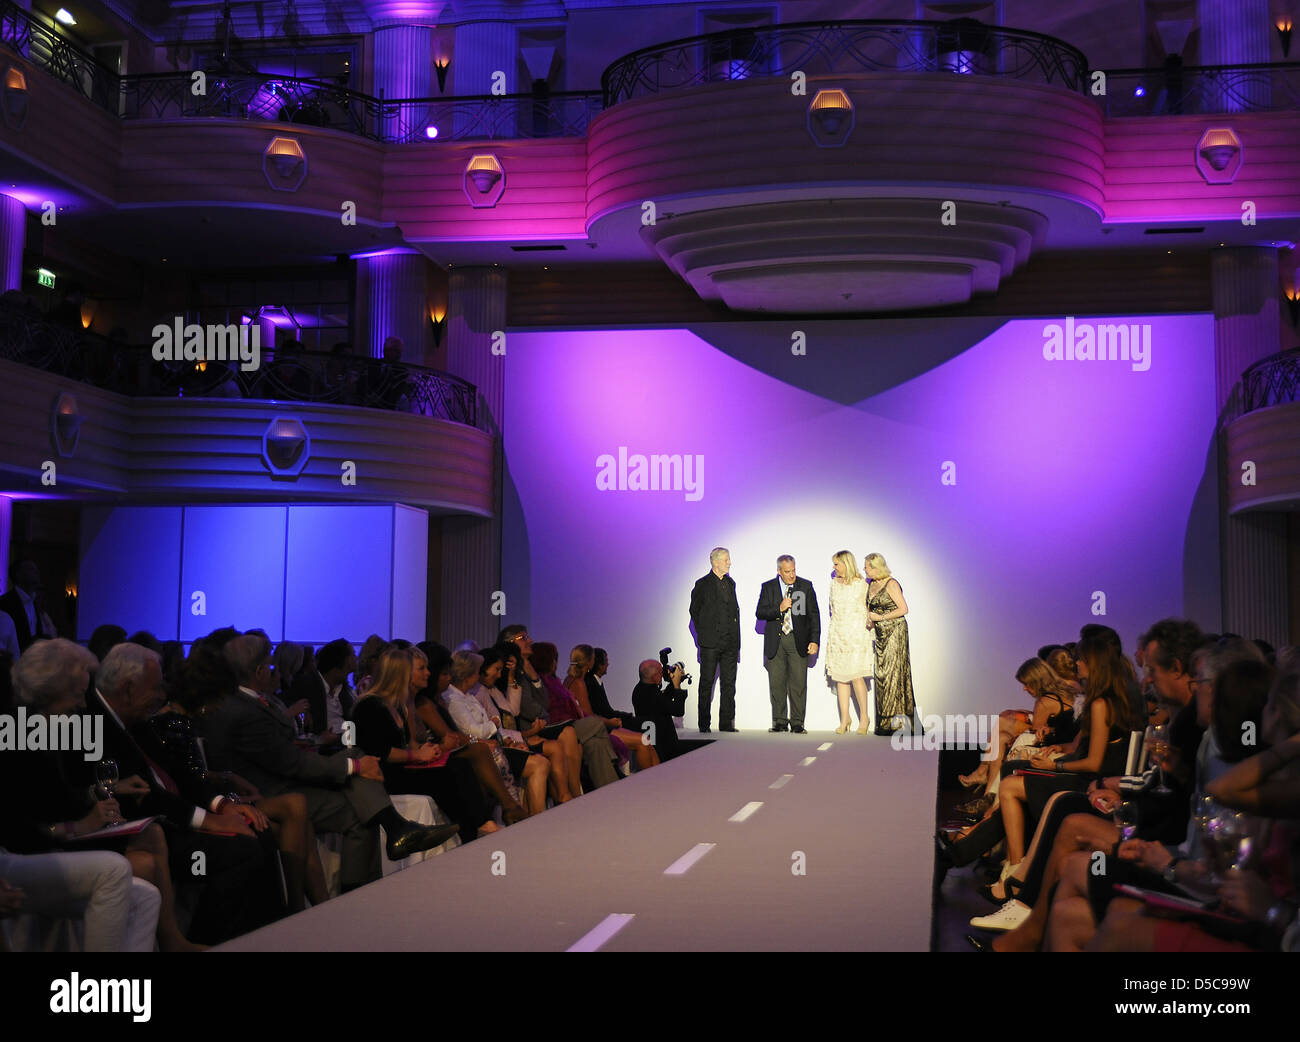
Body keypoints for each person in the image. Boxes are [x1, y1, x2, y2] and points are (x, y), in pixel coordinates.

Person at [198, 633, 459, 892]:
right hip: (271, 792)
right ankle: (363, 881)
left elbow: (279, 753)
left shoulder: (257, 701)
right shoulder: (245, 711)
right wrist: (354, 767)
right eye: (269, 664)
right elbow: (290, 764)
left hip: (287, 776)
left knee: (355, 757)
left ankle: (388, 842)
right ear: (258, 671)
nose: (273, 669)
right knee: (360, 800)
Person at [755, 554, 820, 733]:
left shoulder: (805, 586)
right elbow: (760, 612)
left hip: (797, 640)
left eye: (793, 570)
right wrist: (779, 608)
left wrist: (815, 640)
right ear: (779, 571)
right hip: (776, 640)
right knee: (777, 684)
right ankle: (780, 722)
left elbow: (814, 616)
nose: (792, 575)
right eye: (787, 571)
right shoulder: (768, 587)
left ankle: (798, 723)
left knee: (798, 683)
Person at [689, 547, 741, 733]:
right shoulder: (702, 584)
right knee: (707, 683)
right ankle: (704, 724)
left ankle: (726, 724)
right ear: (716, 562)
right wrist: (704, 634)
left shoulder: (731, 583)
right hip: (710, 643)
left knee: (729, 684)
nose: (729, 562)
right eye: (726, 560)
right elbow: (694, 611)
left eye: (729, 559)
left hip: (730, 643)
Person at [865, 552, 916, 735]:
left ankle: (899, 723)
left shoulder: (891, 583)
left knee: (894, 674)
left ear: (876, 567)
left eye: (867, 567)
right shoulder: (871, 584)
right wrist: (871, 620)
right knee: (882, 675)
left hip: (895, 630)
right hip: (880, 634)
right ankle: (885, 722)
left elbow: (903, 609)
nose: (864, 569)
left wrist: (881, 617)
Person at [824, 551, 872, 734]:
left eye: (836, 564)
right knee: (840, 678)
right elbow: (833, 610)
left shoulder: (861, 584)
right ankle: (845, 719)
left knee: (856, 676)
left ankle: (864, 718)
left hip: (856, 636)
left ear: (846, 564)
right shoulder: (833, 584)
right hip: (838, 635)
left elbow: (867, 610)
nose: (834, 568)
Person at [633, 659, 688, 761]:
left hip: (653, 739)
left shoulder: (640, 688)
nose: (663, 675)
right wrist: (677, 687)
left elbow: (663, 702)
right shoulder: (652, 693)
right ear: (654, 677)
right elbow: (678, 710)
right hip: (662, 746)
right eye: (661, 672)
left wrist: (674, 682)